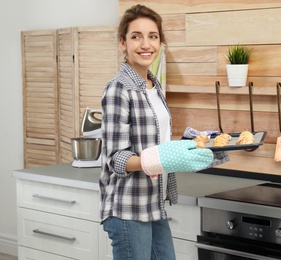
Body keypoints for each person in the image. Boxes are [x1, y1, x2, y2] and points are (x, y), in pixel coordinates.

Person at [99, 4, 229, 260]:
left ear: (160, 42)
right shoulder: (118, 89)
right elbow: (116, 159)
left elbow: (157, 142)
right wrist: (162, 158)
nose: (145, 44)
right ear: (122, 43)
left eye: (153, 36)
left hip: (154, 204)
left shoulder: (154, 85)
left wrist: (198, 143)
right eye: (136, 36)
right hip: (128, 208)